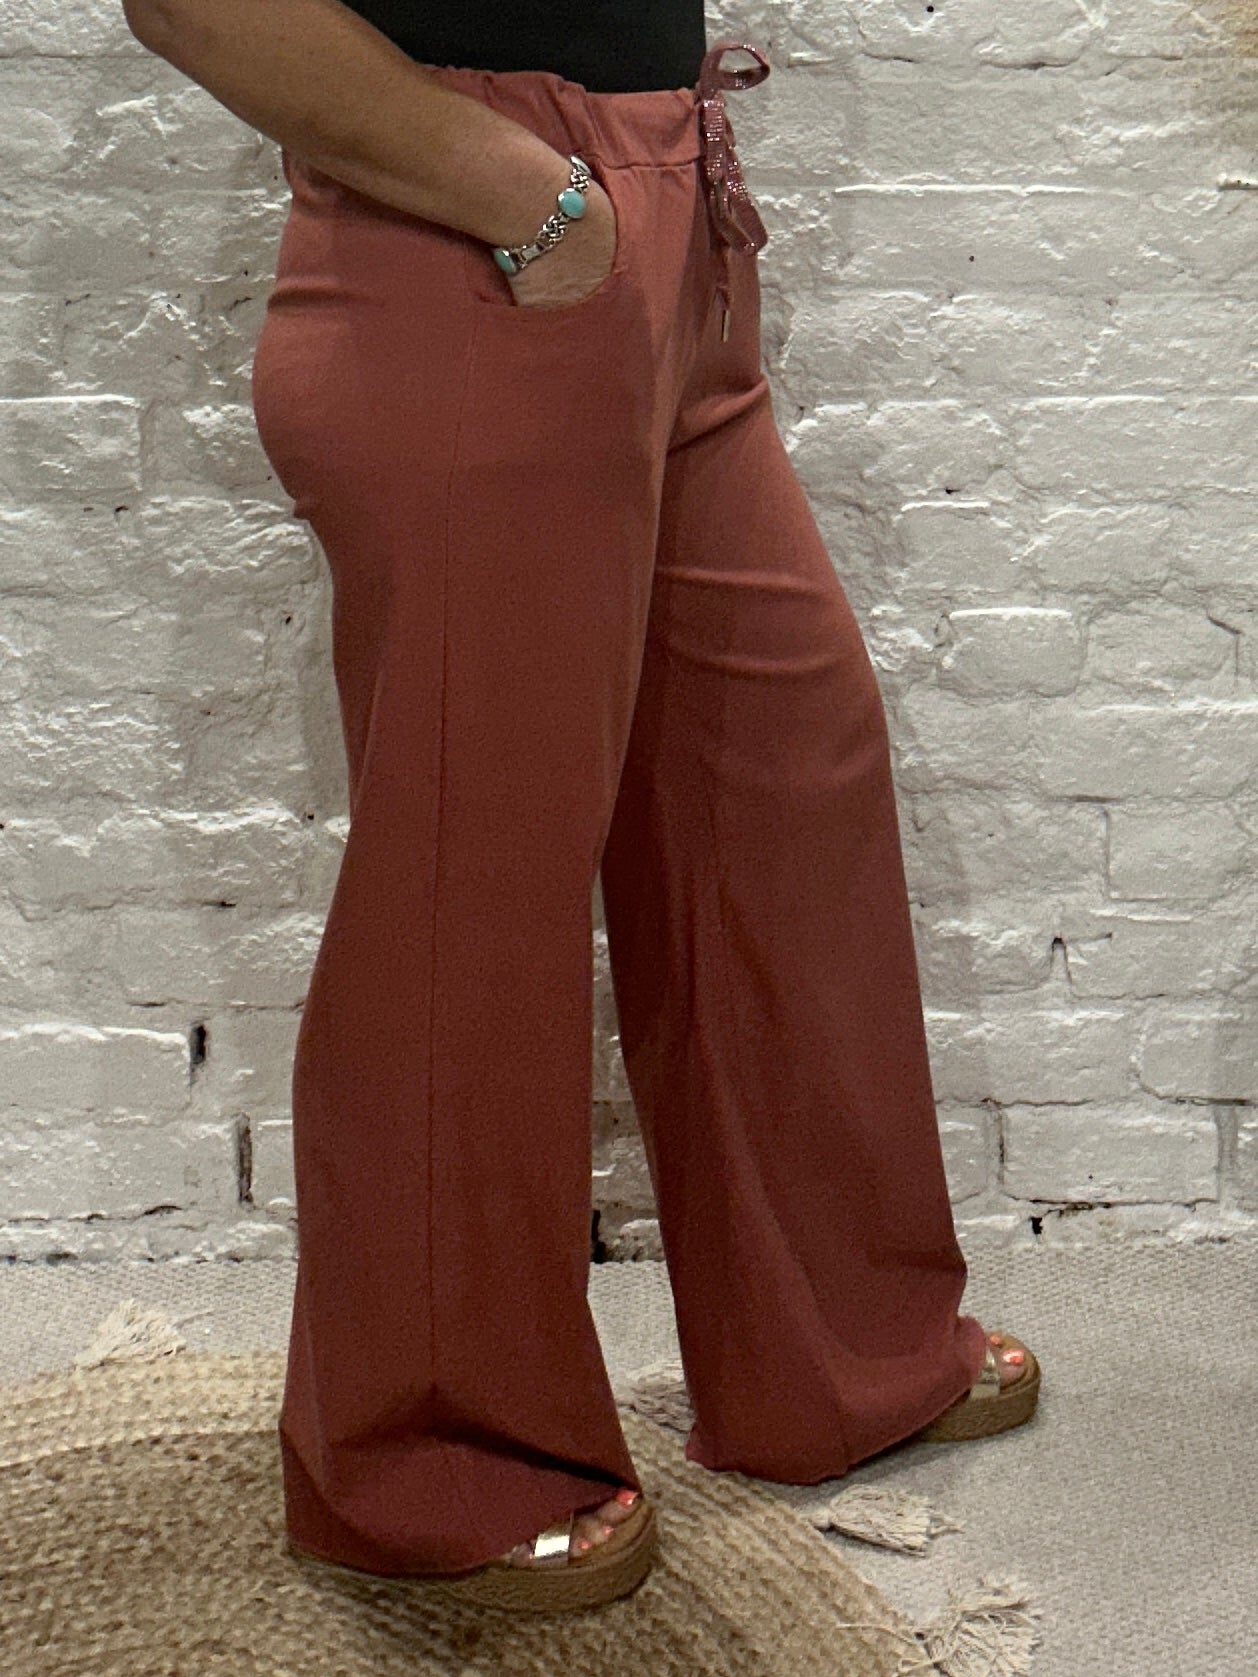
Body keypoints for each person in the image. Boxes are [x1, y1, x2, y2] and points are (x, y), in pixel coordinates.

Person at [119, 0, 1041, 1616]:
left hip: (657, 230)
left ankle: (833, 1353)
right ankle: (430, 1457)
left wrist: (628, 210)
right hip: (474, 246)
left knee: (780, 773)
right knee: (470, 869)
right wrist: (536, 202)